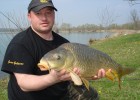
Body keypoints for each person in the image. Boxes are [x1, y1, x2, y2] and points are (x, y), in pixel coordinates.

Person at [1, 0, 106, 100]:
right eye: (38, 13)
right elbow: (23, 83)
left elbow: (75, 72)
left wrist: (90, 74)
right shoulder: (20, 43)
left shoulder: (64, 43)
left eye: (48, 12)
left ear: (54, 15)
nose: (44, 18)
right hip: (29, 97)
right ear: (29, 16)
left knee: (92, 95)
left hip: (59, 93)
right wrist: (53, 78)